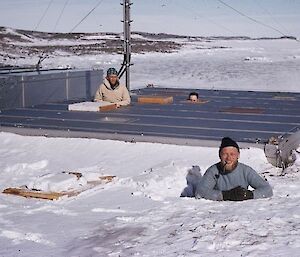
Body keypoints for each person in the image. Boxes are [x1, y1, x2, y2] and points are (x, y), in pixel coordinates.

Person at [194, 137, 273, 201]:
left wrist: (249, 195)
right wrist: (225, 195)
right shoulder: (214, 171)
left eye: (232, 154)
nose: (228, 158)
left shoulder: (245, 171)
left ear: (238, 155)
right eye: (225, 154)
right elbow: (200, 192)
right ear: (219, 155)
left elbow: (267, 189)